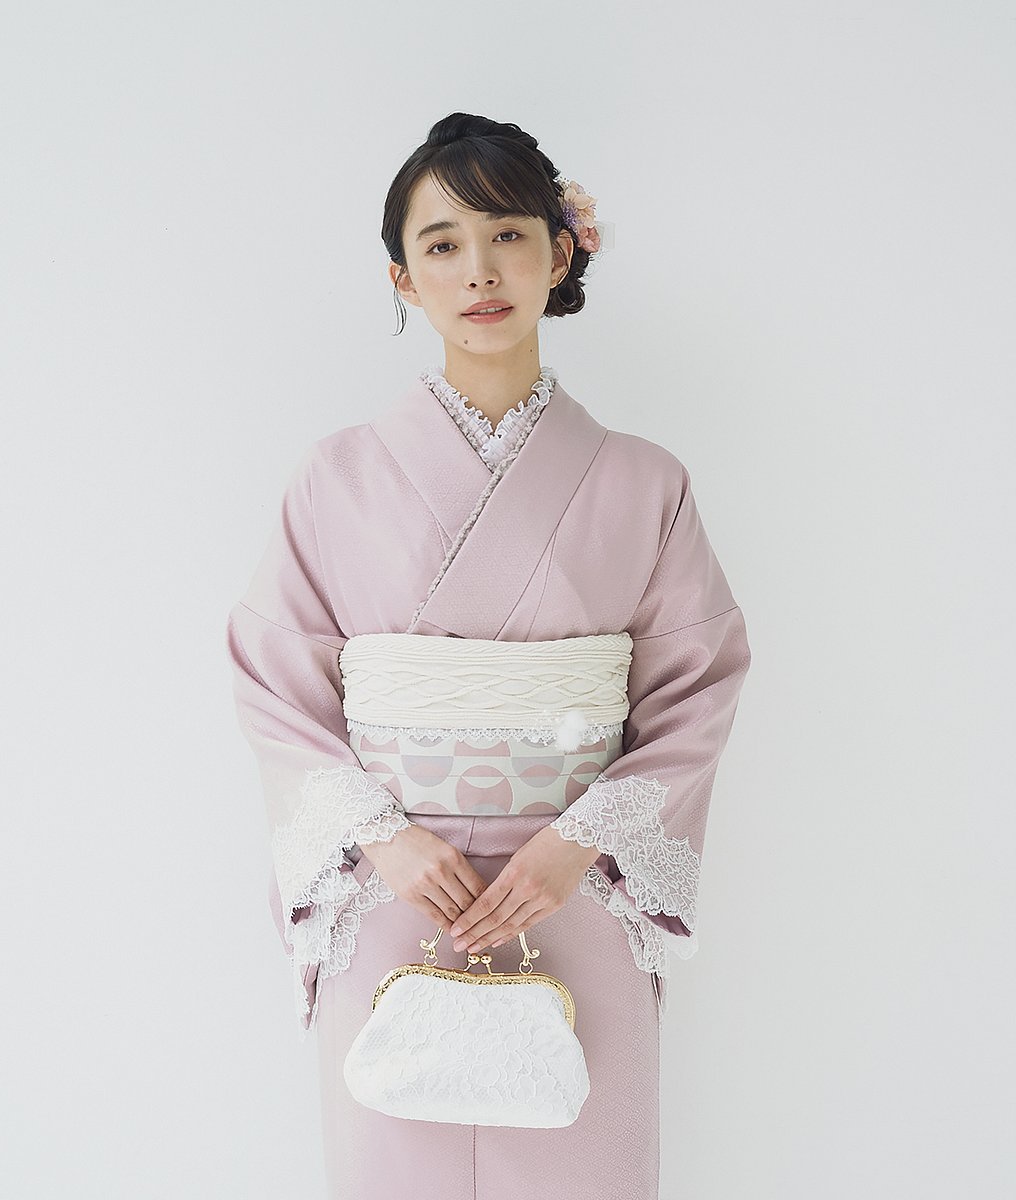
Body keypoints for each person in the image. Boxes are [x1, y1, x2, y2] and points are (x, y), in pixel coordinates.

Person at [225, 111, 751, 1199]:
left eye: (509, 234)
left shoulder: (645, 483)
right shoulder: (336, 478)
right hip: (394, 888)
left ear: (562, 253)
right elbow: (275, 687)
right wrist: (382, 841)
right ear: (402, 278)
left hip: (579, 888)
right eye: (442, 243)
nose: (479, 271)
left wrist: (575, 847)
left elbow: (694, 695)